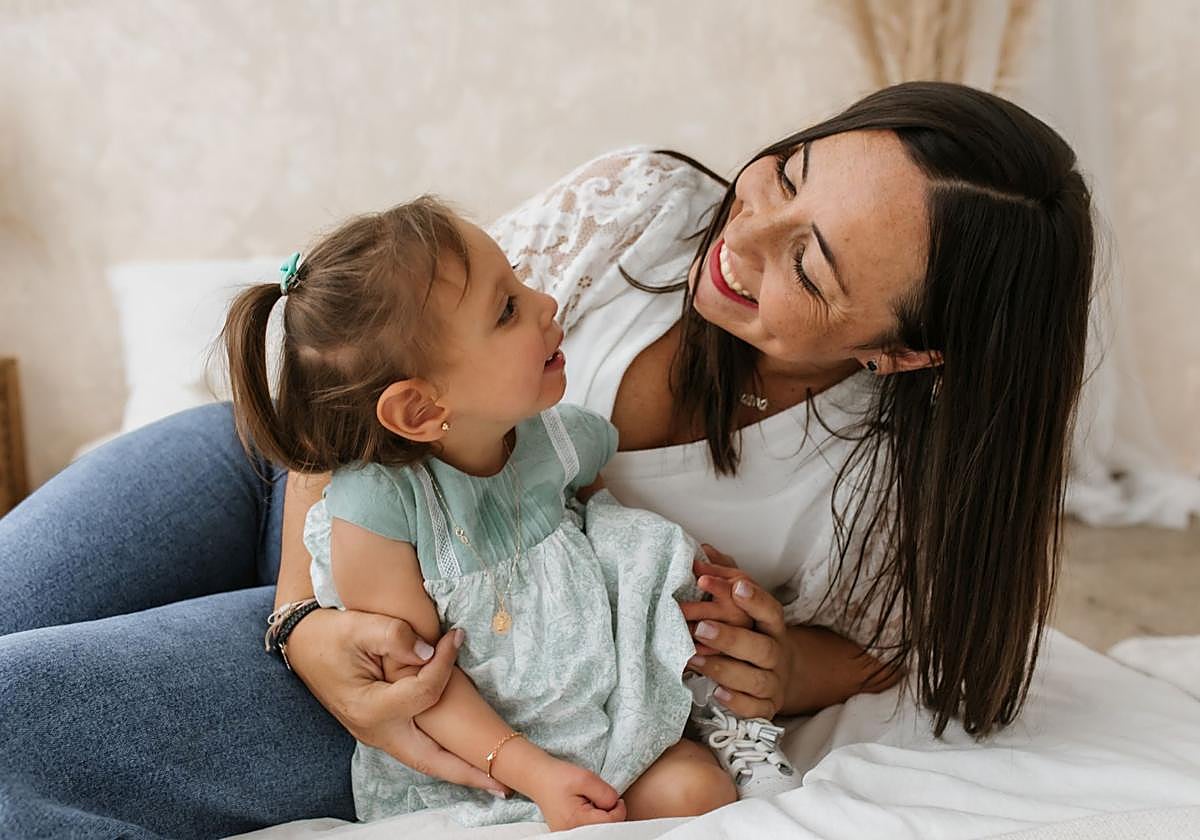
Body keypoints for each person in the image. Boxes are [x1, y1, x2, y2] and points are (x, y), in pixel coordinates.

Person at [0, 81, 1095, 840]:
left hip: (436, 661)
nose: (744, 233)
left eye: (807, 262)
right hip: (285, 478)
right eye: (790, 173)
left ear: (904, 349)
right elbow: (378, 376)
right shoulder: (641, 210)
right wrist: (303, 620)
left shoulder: (881, 483)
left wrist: (794, 667)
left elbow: (911, 642)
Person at [220, 198, 741, 828]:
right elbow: (417, 680)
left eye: (519, 280)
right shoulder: (378, 509)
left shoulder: (557, 438)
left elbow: (605, 525)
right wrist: (533, 771)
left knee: (700, 793)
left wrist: (672, 572)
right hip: (475, 756)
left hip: (589, 712)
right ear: (418, 409)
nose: (546, 303)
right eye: (507, 310)